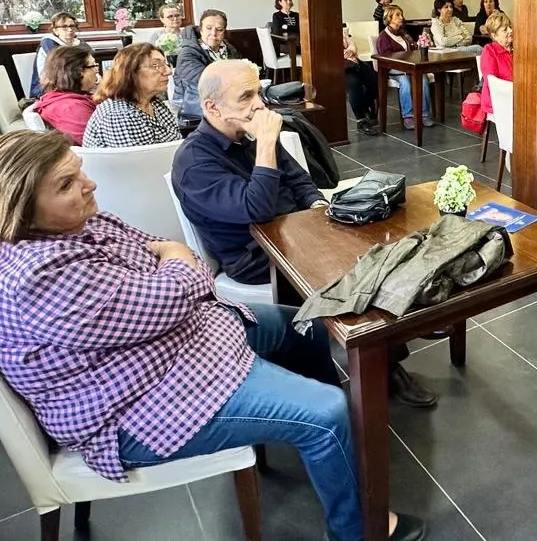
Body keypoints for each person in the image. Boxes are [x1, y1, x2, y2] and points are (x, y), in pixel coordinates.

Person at [0, 131, 427, 541]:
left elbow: (165, 261)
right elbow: (176, 280)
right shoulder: (37, 277)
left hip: (180, 342)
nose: (89, 184)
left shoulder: (77, 224)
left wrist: (171, 266)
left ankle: (326, 448)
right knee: (326, 414)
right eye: (66, 184)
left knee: (304, 324)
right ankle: (357, 526)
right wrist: (174, 264)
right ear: (17, 212)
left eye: (78, 171)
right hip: (137, 402)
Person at [172, 60, 437, 409]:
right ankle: (378, 365)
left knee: (379, 236)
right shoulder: (195, 163)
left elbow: (299, 178)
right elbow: (256, 209)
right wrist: (266, 144)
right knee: (357, 268)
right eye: (246, 97)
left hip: (296, 231)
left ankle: (397, 330)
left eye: (259, 93)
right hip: (257, 255)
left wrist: (318, 209)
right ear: (212, 107)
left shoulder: (246, 133)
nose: (259, 105)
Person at [82, 43, 180, 148]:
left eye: (165, 64)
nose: (168, 71)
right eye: (156, 65)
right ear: (130, 72)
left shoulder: (155, 104)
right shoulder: (118, 114)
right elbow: (140, 157)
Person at [174, 9, 241, 119]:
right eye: (209, 28)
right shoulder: (188, 53)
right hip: (194, 108)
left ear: (224, 32)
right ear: (201, 30)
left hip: (222, 102)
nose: (213, 33)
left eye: (219, 29)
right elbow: (205, 82)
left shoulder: (229, 49)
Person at [376, 4, 433, 130]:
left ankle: (424, 114)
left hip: (409, 68)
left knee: (423, 79)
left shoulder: (403, 34)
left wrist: (421, 43)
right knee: (405, 82)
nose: (401, 17)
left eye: (401, 15)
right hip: (392, 69)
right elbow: (386, 58)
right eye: (397, 15)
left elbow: (413, 48)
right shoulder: (383, 37)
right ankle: (408, 116)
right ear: (389, 18)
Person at [31, 45, 99, 144]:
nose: (97, 71)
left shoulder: (60, 97)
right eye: (93, 66)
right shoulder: (72, 109)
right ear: (79, 71)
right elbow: (93, 144)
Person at [31, 11, 81, 98]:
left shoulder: (78, 43)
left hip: (68, 85)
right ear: (55, 30)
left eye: (72, 26)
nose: (70, 30)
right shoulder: (49, 43)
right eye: (64, 27)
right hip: (45, 90)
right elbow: (63, 69)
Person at [343, 24, 380, 135]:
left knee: (376, 79)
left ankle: (363, 106)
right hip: (340, 66)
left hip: (354, 62)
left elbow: (352, 44)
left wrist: (350, 51)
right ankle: (361, 120)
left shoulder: (341, 32)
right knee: (354, 84)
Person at [479, 11, 513, 120]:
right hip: (498, 99)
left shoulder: (517, 47)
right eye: (505, 29)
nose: (511, 31)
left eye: (510, 27)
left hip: (516, 95)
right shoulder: (489, 50)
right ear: (495, 36)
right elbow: (492, 83)